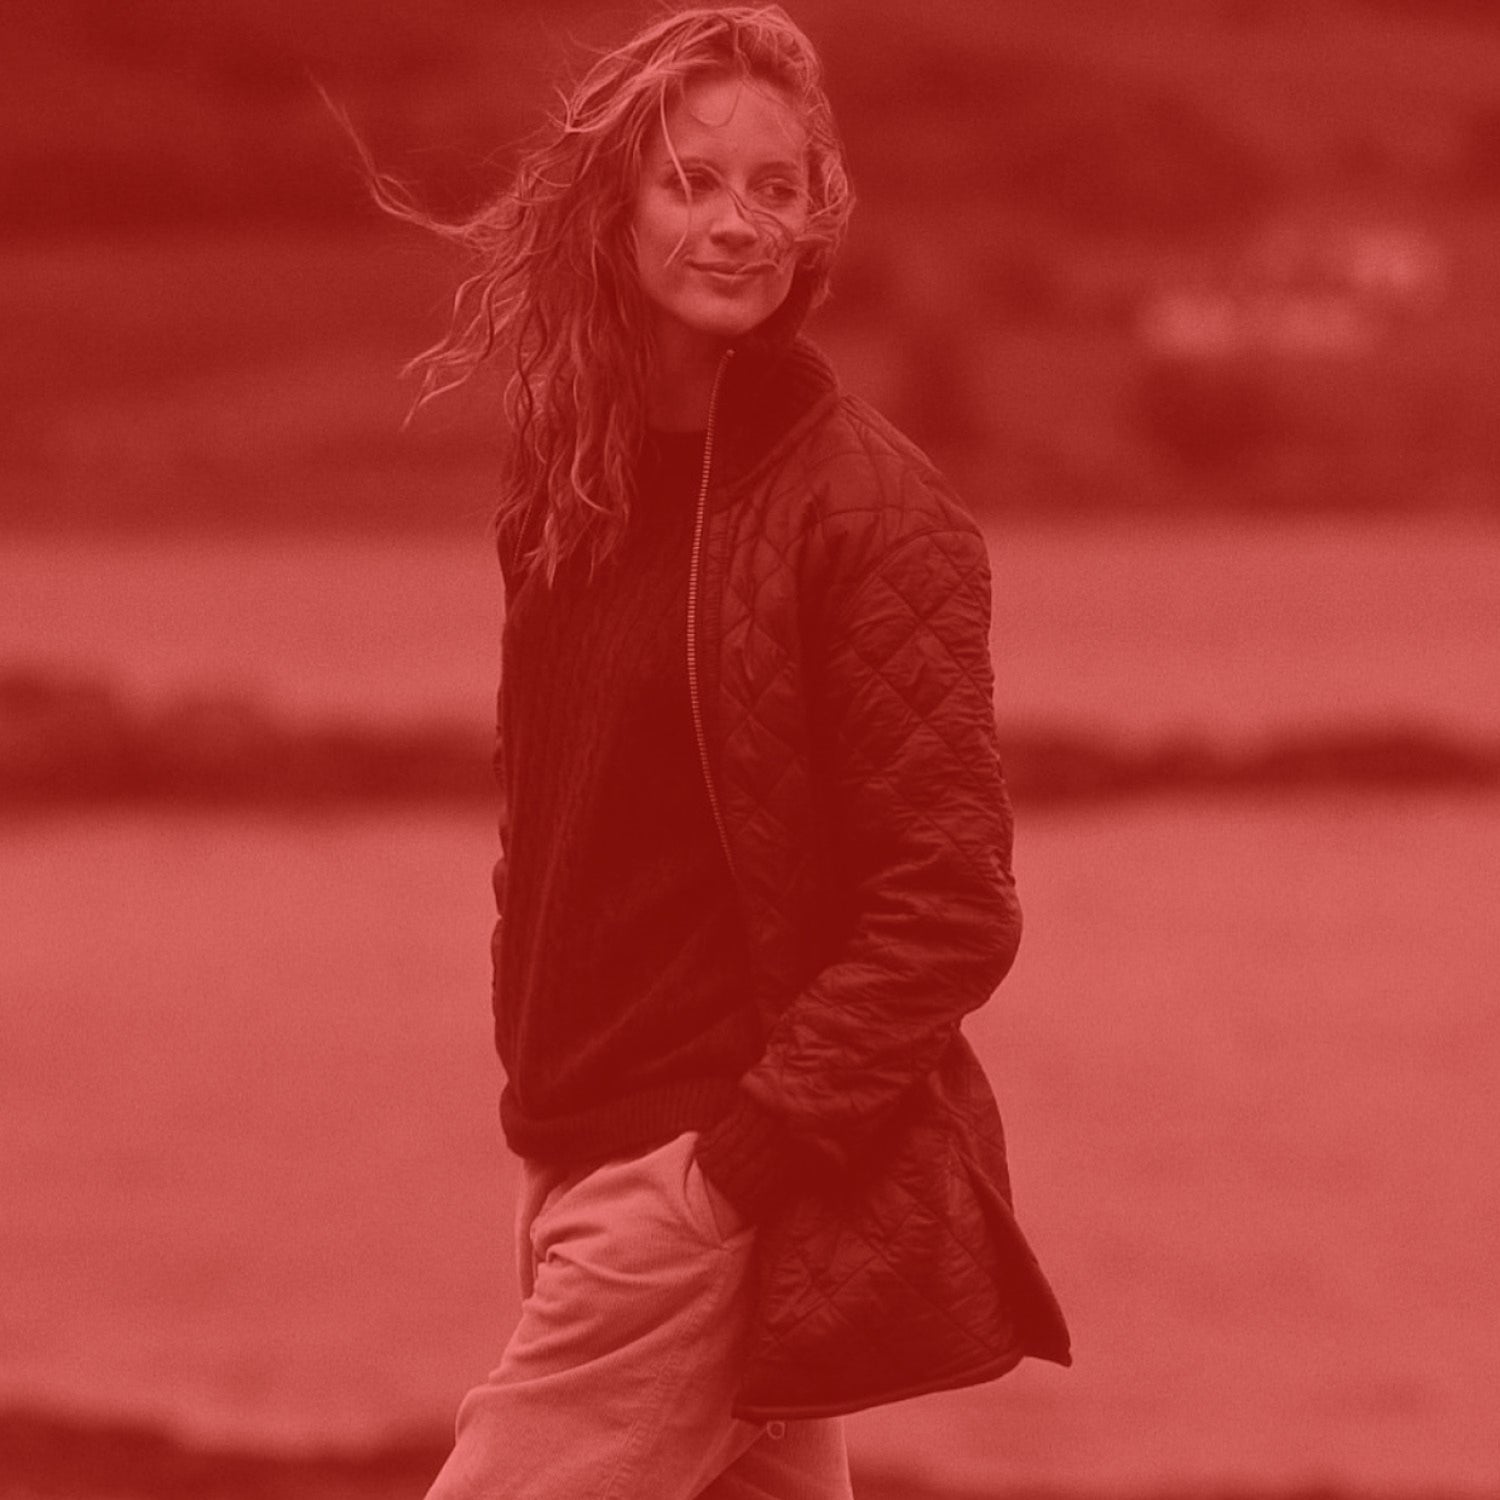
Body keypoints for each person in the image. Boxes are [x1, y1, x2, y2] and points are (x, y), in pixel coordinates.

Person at [392, 7, 1072, 1496]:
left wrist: (733, 1172)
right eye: (692, 181)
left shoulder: (869, 514)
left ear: (817, 217)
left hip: (690, 1177)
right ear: (615, 207)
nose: (737, 222)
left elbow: (951, 906)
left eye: (777, 187)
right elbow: (547, 814)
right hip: (577, 1150)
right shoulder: (572, 482)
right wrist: (541, 1071)